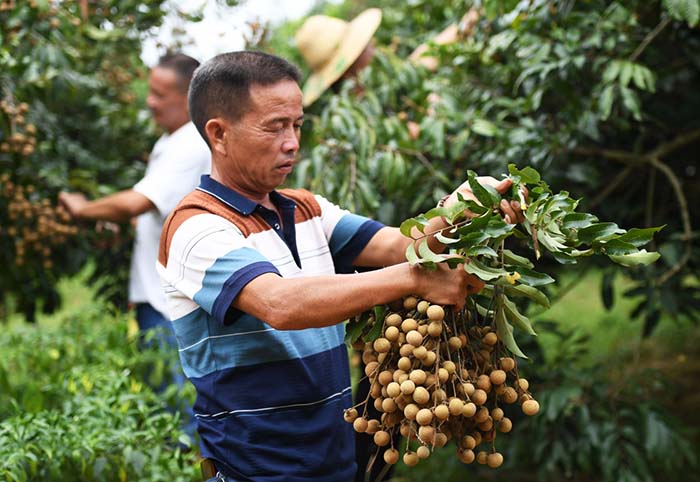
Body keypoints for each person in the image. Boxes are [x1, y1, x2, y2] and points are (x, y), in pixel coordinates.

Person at [157, 51, 524, 482]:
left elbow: (401, 245)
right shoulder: (195, 227)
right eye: (275, 127)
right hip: (256, 472)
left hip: (334, 461)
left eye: (296, 125)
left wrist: (464, 203)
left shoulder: (305, 209)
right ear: (219, 134)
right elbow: (280, 303)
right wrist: (416, 279)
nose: (292, 142)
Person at [58, 52, 211, 438]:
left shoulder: (189, 145)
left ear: (189, 97)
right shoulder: (169, 142)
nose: (149, 101)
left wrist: (83, 209)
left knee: (179, 417)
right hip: (156, 297)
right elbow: (158, 210)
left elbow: (135, 202)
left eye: (160, 94)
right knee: (169, 406)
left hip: (169, 303)